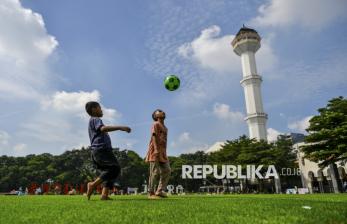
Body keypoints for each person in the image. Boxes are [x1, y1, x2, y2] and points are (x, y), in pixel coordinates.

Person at [85, 101, 131, 200]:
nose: (101, 110)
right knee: (114, 168)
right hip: (101, 150)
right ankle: (92, 185)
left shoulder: (93, 120)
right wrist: (120, 127)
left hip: (99, 151)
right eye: (99, 108)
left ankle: (104, 195)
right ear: (94, 109)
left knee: (109, 172)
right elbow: (103, 129)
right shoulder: (95, 119)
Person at [145, 109, 171, 199]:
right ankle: (150, 192)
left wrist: (164, 152)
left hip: (163, 152)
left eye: (162, 111)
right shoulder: (155, 124)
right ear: (156, 116)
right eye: (159, 111)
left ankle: (159, 191)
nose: (162, 112)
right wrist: (155, 149)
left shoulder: (165, 128)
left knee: (167, 170)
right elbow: (153, 136)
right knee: (154, 172)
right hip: (155, 151)